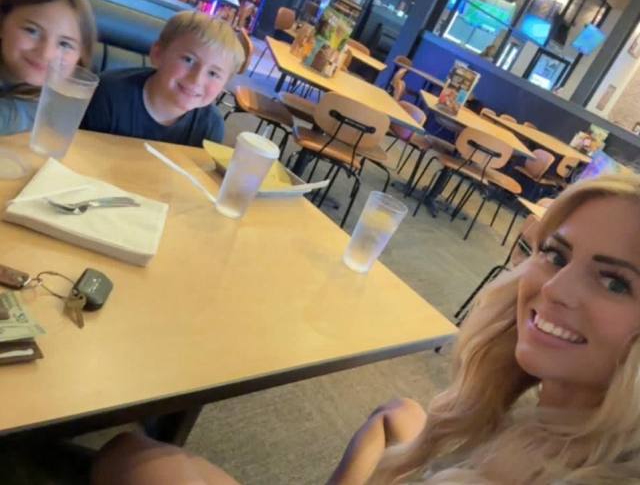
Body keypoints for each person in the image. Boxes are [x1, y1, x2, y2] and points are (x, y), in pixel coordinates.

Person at [91, 174, 640, 483]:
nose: (555, 289)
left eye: (615, 282)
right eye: (555, 254)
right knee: (400, 413)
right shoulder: (551, 416)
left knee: (129, 456)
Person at [81, 11, 245, 146]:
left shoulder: (210, 126)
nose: (197, 79)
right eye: (188, 60)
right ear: (158, 54)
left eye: (213, 74)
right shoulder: (107, 95)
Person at [0, 0, 96, 135]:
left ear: (80, 57)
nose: (46, 54)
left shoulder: (46, 112)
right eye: (32, 31)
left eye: (65, 44)